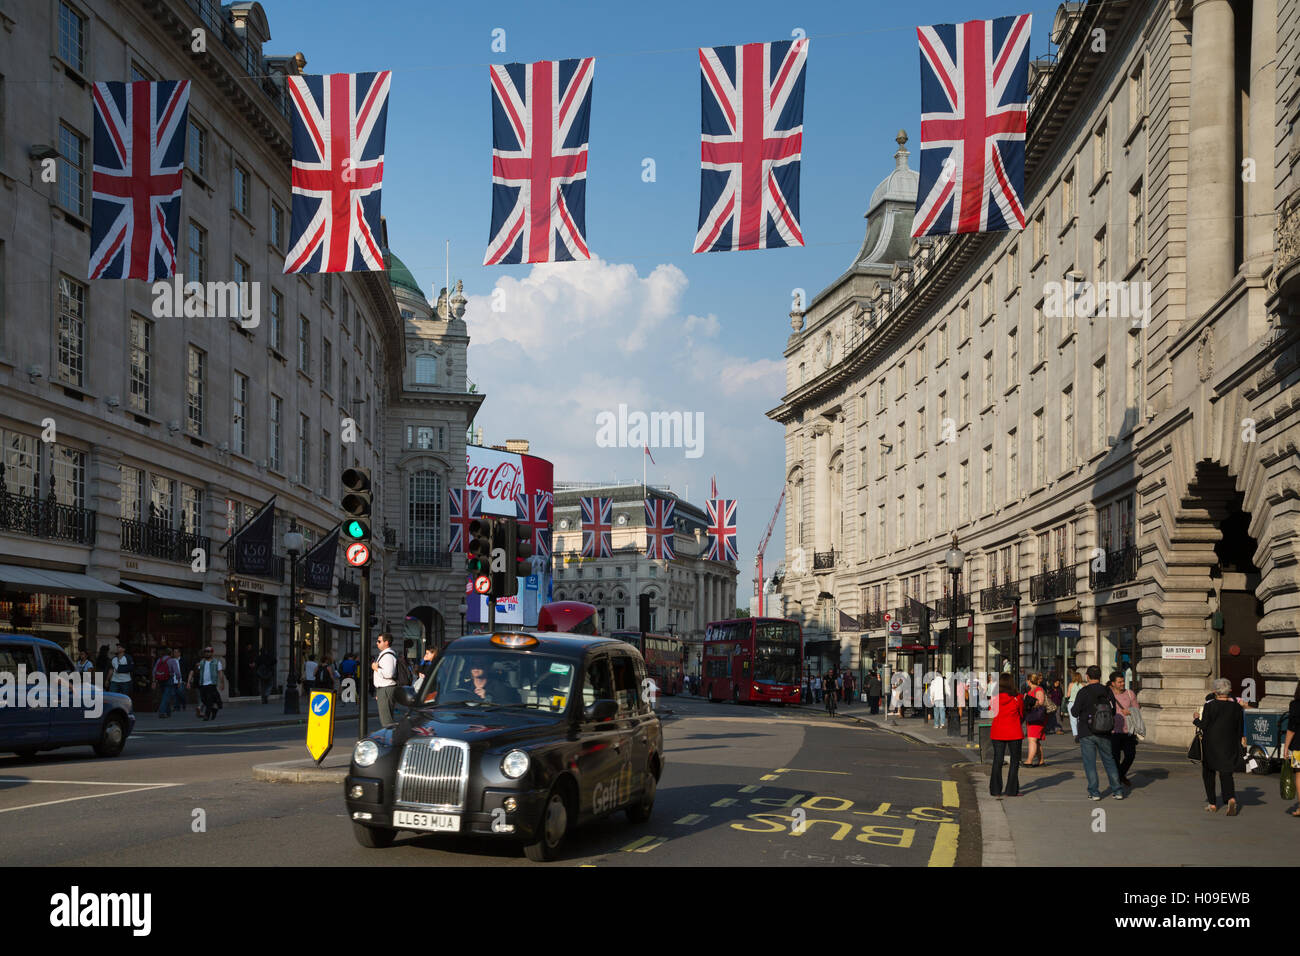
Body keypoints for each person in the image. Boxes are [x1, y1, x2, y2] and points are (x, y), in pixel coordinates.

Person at [1071, 665, 1126, 800]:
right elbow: (1113, 711)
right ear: (1100, 677)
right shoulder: (1107, 691)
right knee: (1109, 760)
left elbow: (1074, 712)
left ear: (1087, 677)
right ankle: (1117, 791)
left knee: (1090, 763)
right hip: (1105, 731)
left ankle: (1094, 792)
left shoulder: (1083, 692)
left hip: (1087, 731)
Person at [1194, 678, 1246, 815]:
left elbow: (1204, 725)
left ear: (1215, 691)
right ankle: (1231, 798)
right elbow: (1240, 728)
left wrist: (1195, 719)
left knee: (1208, 772)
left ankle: (1212, 804)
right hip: (1229, 743)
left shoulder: (1210, 706)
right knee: (1226, 772)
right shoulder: (1237, 707)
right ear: (1229, 691)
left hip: (1211, 743)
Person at [990, 673, 1024, 798]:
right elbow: (1021, 713)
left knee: (997, 761)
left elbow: (991, 711)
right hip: (1014, 732)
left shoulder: (994, 697)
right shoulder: (1018, 698)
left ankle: (995, 790)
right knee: (1015, 761)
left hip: (998, 731)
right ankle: (1011, 790)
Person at [1109, 671, 1139, 787]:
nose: (1122, 684)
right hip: (1113, 732)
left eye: (1123, 681)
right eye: (1119, 682)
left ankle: (1120, 775)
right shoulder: (1108, 695)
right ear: (1113, 683)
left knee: (1130, 755)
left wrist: (1130, 711)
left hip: (1128, 731)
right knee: (1115, 758)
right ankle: (1118, 779)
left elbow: (1137, 710)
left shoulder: (1130, 694)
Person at [372, 633, 399, 725]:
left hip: (386, 689)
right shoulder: (385, 655)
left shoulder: (388, 656)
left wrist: (376, 669)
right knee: (386, 718)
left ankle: (392, 738)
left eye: (379, 641)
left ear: (386, 642)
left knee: (387, 721)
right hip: (383, 689)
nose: (377, 643)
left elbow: (389, 674)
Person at [191, 646, 224, 721]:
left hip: (211, 683)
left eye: (209, 651)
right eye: (206, 651)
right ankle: (214, 710)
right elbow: (197, 672)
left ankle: (207, 715)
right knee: (203, 699)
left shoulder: (216, 662)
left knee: (209, 700)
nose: (207, 653)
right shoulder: (202, 662)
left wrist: (222, 683)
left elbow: (220, 672)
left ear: (212, 653)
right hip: (203, 683)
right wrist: (196, 667)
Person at [1282, 683, 1300, 817]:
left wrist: (1286, 747)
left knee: (1299, 776)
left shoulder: (1295, 705)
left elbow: (1291, 728)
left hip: (1298, 746)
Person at [1023, 673, 1048, 766]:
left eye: (1027, 680)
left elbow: (1040, 703)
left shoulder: (1038, 690)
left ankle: (1029, 761)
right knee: (1036, 740)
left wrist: (1029, 701)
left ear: (1029, 681)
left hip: (1036, 718)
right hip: (1032, 718)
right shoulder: (1030, 690)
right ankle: (1041, 761)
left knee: (1032, 740)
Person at [1065, 670, 1085, 739]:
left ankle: (1075, 734)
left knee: (1073, 720)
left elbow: (1068, 695)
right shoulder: (1083, 685)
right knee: (1080, 719)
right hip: (1081, 704)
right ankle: (1080, 733)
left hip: (1072, 703)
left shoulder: (1071, 684)